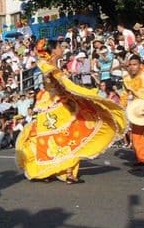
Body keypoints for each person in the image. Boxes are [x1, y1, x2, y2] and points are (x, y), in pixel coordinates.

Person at [16, 42, 126, 184]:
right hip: (54, 107)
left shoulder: (50, 66)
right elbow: (59, 86)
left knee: (64, 138)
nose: (63, 49)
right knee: (60, 139)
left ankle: (60, 172)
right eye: (60, 47)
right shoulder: (49, 67)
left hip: (57, 105)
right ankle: (53, 172)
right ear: (54, 50)